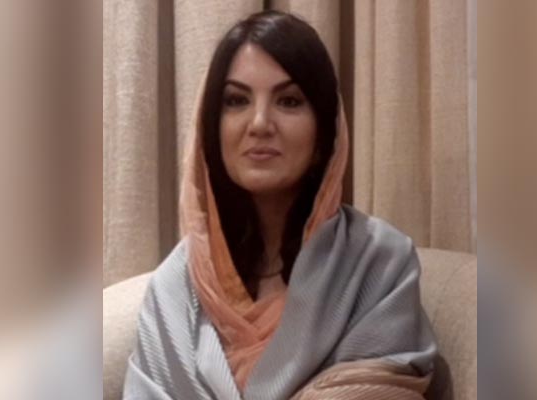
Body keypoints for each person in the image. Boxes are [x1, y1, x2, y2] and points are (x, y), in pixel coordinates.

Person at [123, 10, 437, 400]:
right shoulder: (174, 287)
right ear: (211, 128)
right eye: (236, 101)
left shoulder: (379, 264)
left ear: (324, 131)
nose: (259, 123)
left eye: (288, 101)